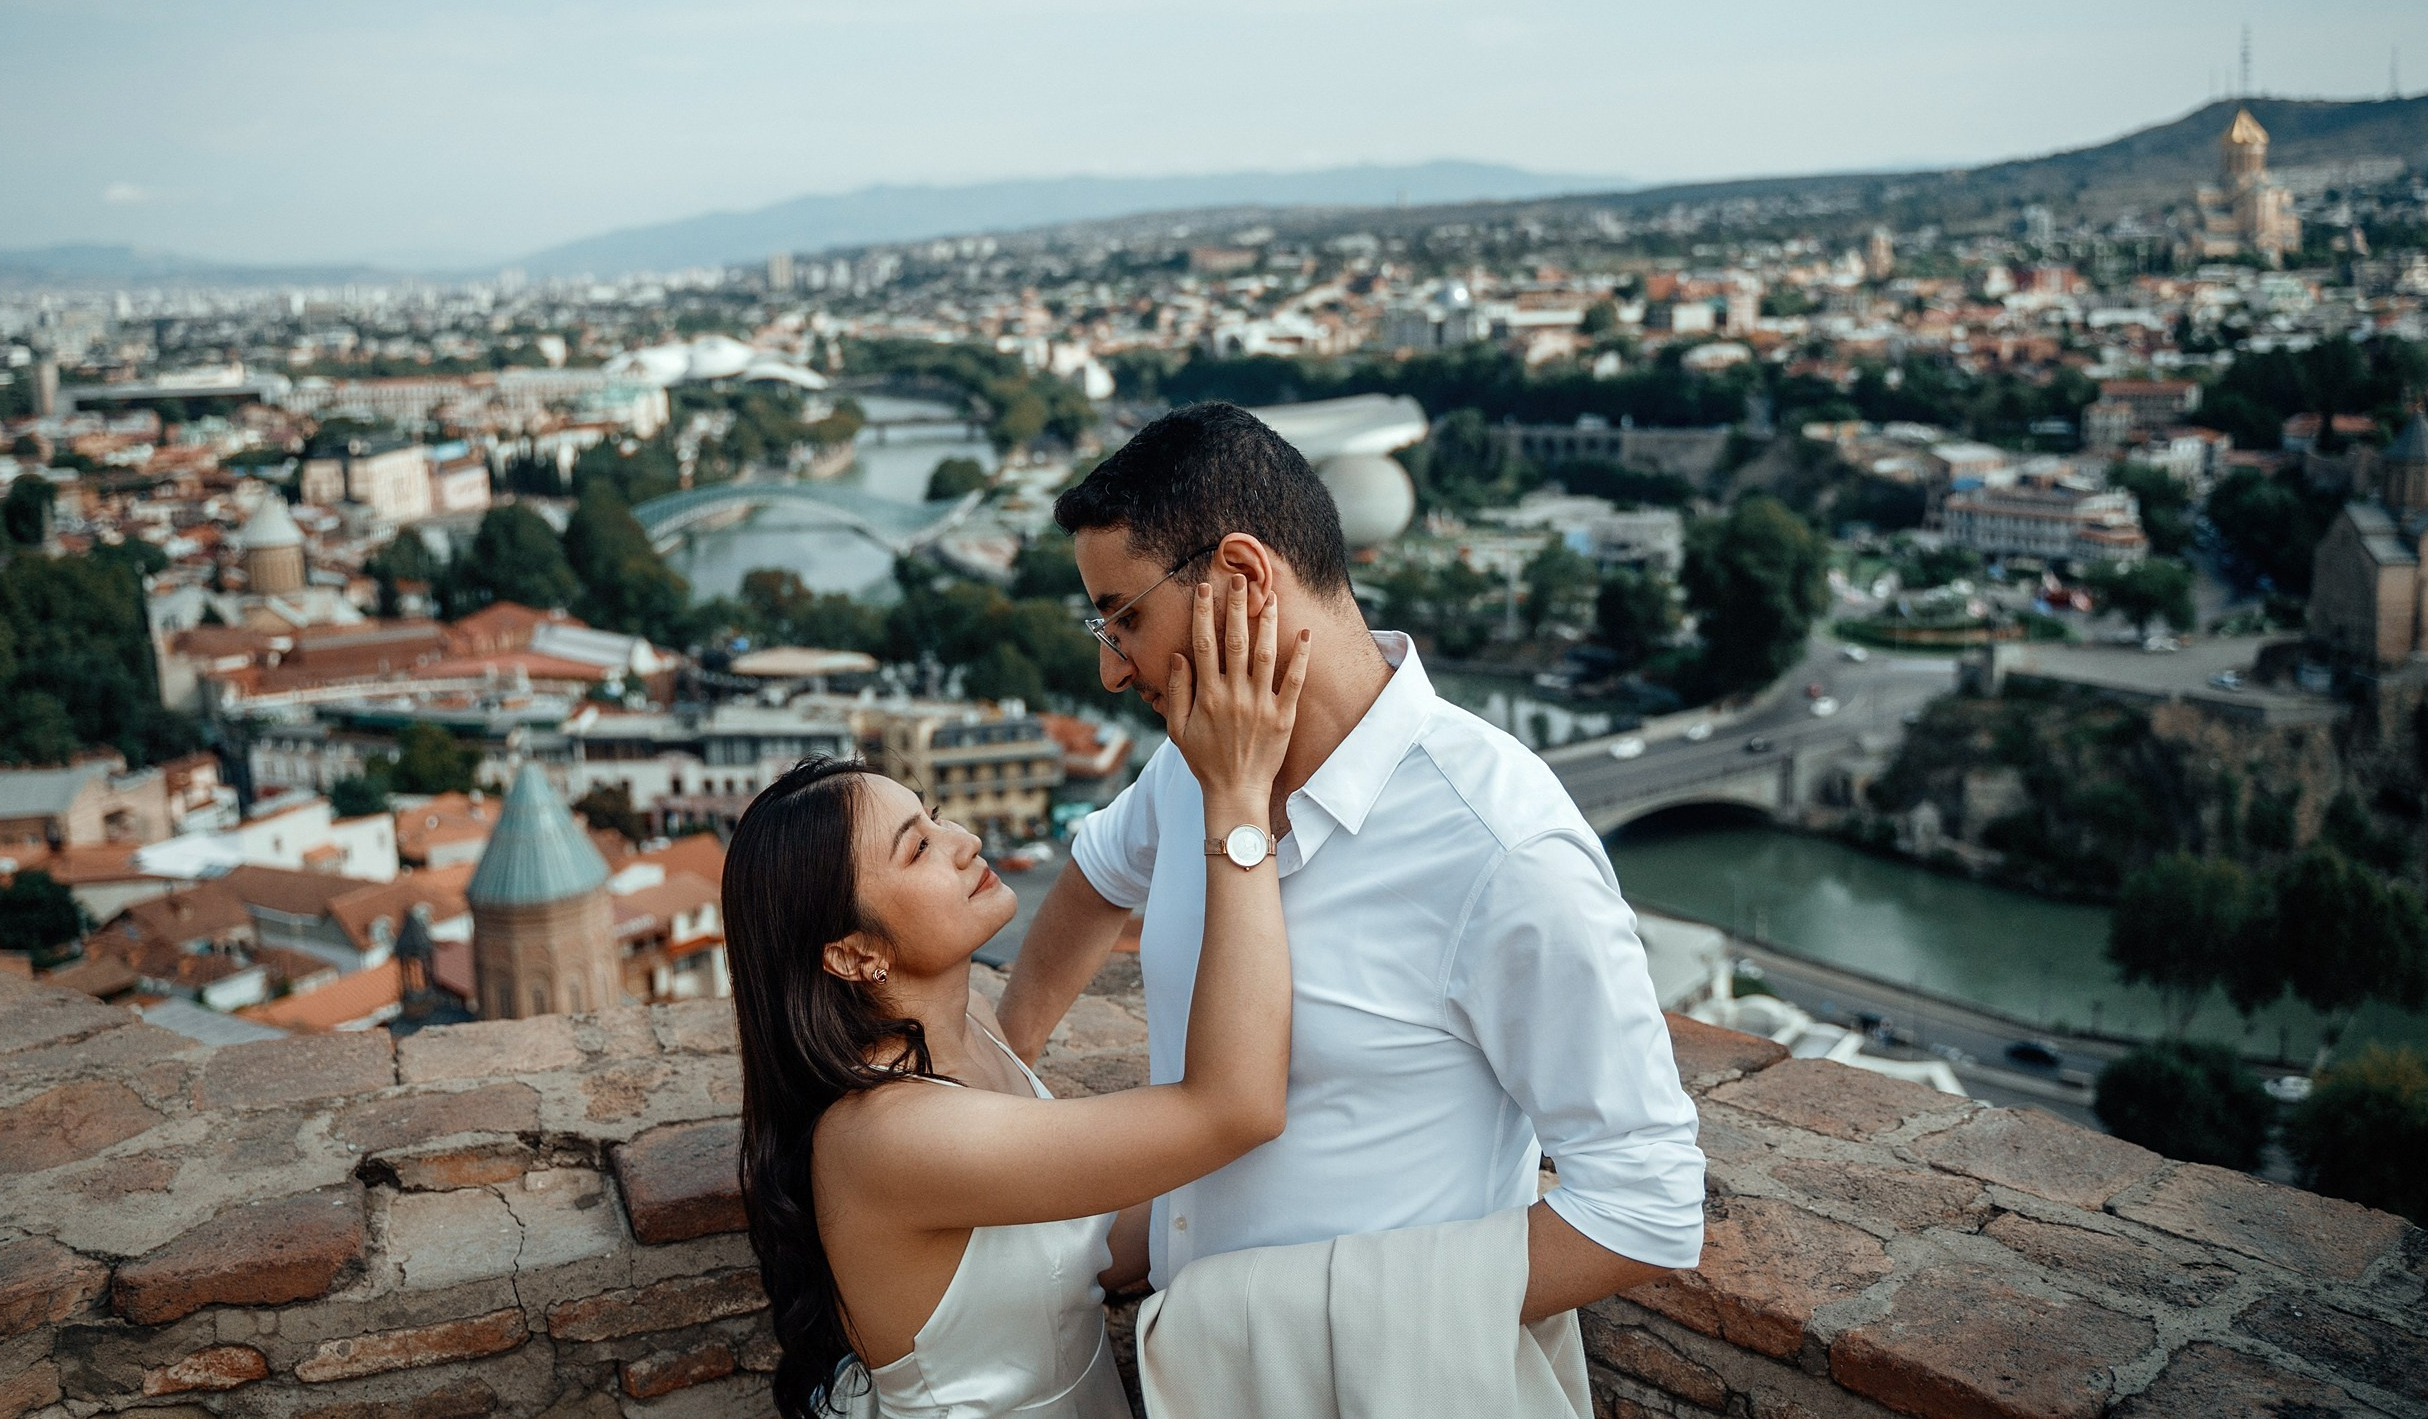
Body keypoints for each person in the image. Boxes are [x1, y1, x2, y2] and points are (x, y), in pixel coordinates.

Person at [998, 402, 1705, 1328]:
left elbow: (1646, 1210)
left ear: (1243, 575)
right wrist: (1002, 1077)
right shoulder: (1191, 764)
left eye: (1122, 618)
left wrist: (1306, 1319)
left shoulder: (1502, 848)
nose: (1114, 672)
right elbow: (1096, 876)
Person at [725, 578, 1311, 1419]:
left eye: (935, 816)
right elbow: (1236, 1105)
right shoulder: (894, 1134)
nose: (963, 841)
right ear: (854, 953)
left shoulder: (977, 1040)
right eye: (917, 846)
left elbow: (1083, 1247)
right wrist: (1237, 799)